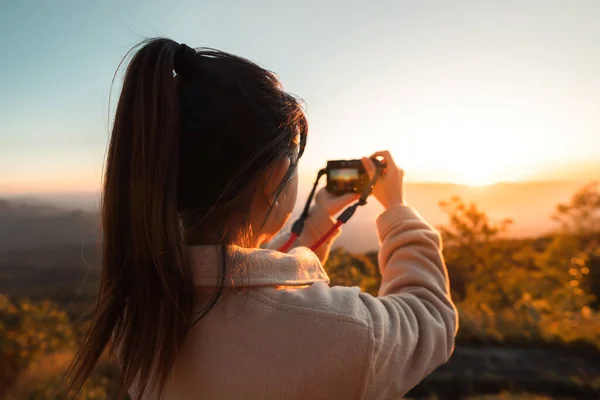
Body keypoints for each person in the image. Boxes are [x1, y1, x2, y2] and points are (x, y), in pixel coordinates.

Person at [67, 37, 458, 400]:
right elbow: (431, 316)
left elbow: (248, 285)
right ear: (273, 180)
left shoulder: (140, 318)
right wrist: (398, 209)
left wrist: (321, 214)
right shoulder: (345, 334)